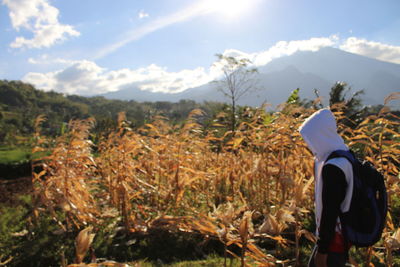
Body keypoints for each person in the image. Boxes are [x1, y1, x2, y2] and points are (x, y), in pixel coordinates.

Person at [299, 108, 354, 267]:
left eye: (311, 138)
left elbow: (330, 212)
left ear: (320, 136)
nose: (309, 144)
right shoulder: (344, 154)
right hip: (340, 237)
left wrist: (322, 251)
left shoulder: (333, 167)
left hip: (332, 241)